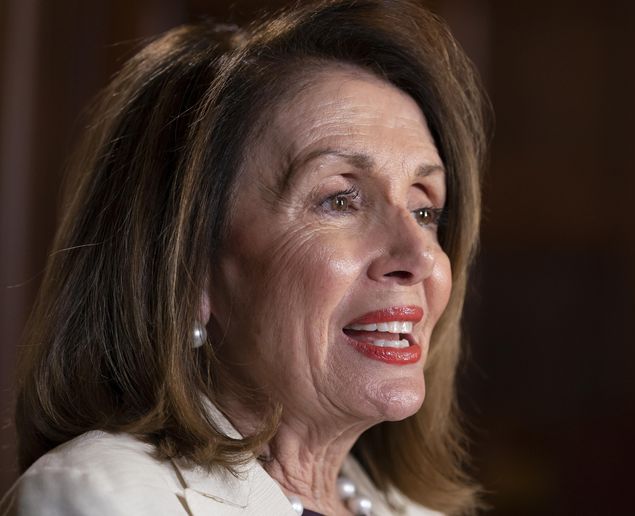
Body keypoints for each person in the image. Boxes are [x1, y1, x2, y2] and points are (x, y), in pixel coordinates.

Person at [0, 0, 489, 514]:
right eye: (340, 200)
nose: (418, 256)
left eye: (425, 209)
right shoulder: (101, 498)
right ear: (189, 270)